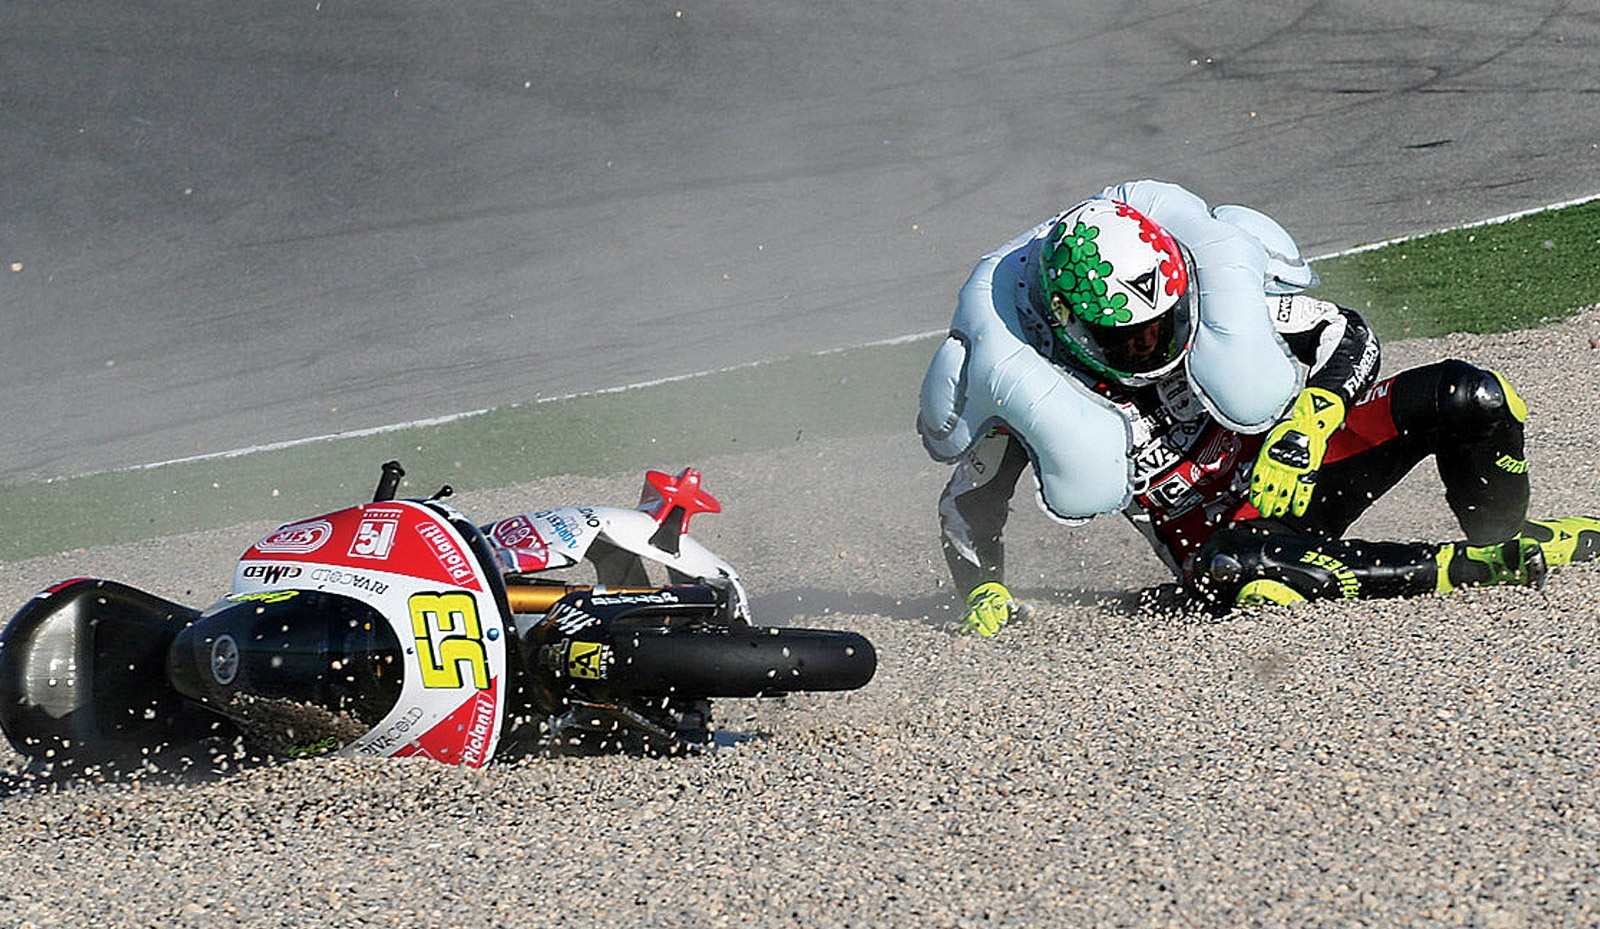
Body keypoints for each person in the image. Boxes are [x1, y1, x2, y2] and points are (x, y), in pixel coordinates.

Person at [916, 180, 1599, 636]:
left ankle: (1504, 534)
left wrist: (1309, 421)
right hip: (1222, 545)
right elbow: (967, 502)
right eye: (1127, 337)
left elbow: (1347, 333)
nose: (1151, 343)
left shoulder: (1215, 303)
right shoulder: (1035, 381)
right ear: (1070, 328)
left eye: (1160, 322)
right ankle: (1477, 567)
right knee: (1247, 570)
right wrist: (982, 591)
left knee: (1472, 396)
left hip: (1302, 468)